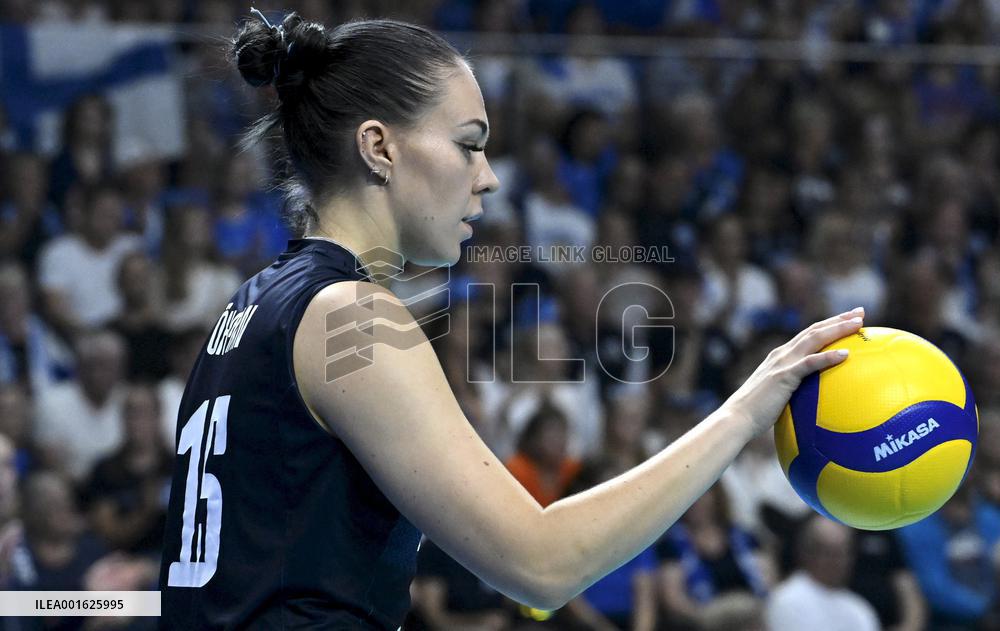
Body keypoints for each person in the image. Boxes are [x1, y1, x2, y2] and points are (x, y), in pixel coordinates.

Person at [159, 10, 866, 629]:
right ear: (379, 147)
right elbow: (542, 564)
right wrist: (745, 411)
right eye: (469, 142)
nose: (488, 174)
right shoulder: (353, 318)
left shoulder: (251, 305)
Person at [765, 516, 881, 631]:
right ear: (807, 553)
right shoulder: (787, 600)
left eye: (842, 553)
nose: (838, 562)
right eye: (829, 553)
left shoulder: (859, 609)